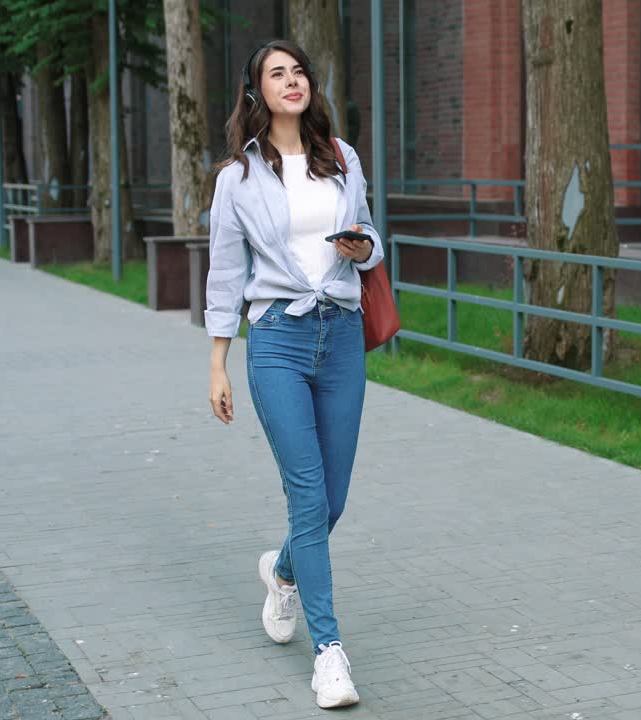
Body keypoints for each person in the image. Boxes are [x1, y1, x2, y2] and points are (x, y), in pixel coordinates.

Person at [204, 38, 382, 710]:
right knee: (308, 498)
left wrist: (362, 247)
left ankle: (282, 574)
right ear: (257, 91)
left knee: (332, 501)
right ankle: (329, 653)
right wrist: (218, 363)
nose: (292, 80)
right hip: (277, 339)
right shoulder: (238, 178)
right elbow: (226, 273)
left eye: (299, 70)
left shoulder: (341, 157)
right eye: (277, 73)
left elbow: (371, 238)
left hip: (340, 338)